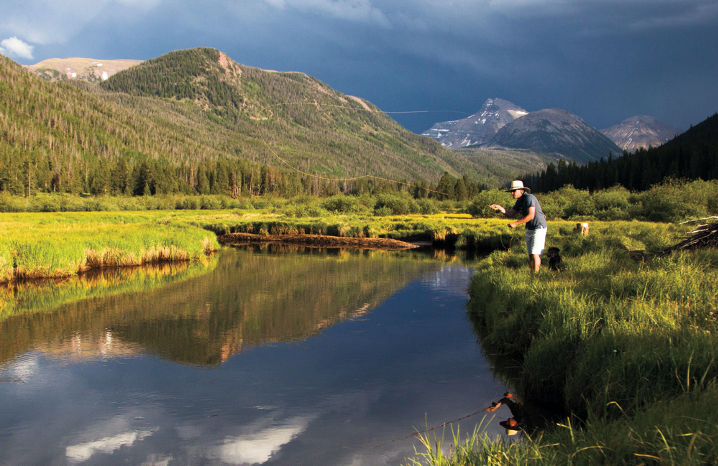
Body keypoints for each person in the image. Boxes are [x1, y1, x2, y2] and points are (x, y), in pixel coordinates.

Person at [490, 180, 547, 273]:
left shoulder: (529, 198)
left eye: (514, 191)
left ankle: (536, 276)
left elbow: (531, 215)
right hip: (530, 228)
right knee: (530, 254)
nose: (512, 193)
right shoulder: (519, 201)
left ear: (521, 190)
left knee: (535, 253)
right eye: (511, 191)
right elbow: (510, 213)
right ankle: (533, 274)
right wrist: (500, 208)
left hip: (539, 227)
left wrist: (515, 223)